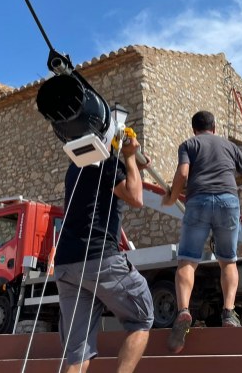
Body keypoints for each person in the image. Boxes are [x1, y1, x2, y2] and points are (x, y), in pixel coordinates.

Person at [54, 136, 154, 373]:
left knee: (77, 354)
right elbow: (135, 197)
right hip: (100, 258)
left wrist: (133, 167)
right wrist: (129, 156)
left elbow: (104, 188)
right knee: (141, 319)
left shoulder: (74, 168)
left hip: (66, 265)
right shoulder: (108, 163)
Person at [162, 111, 242, 354]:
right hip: (228, 202)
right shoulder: (230, 146)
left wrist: (171, 198)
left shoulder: (189, 144)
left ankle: (183, 312)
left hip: (198, 201)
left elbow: (183, 174)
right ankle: (228, 312)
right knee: (228, 261)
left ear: (194, 129)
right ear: (214, 128)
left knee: (187, 261)